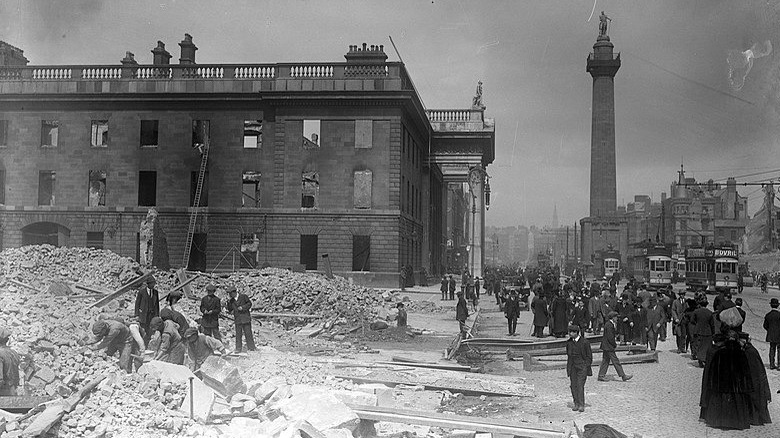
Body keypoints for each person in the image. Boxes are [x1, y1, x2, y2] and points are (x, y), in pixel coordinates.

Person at [699, 320, 754, 430]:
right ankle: (737, 422)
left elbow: (712, 373)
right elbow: (746, 373)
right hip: (737, 389)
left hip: (721, 388)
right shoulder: (741, 354)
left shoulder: (719, 353)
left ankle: (719, 421)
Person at [597, 311, 633, 382]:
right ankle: (623, 376)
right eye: (616, 317)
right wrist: (614, 344)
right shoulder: (609, 325)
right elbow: (610, 337)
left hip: (606, 346)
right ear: (613, 317)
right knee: (615, 361)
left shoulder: (609, 324)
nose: (617, 318)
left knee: (605, 361)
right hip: (609, 346)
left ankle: (601, 375)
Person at [566, 324, 593, 413]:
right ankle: (576, 403)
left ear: (577, 333)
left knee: (580, 385)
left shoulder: (585, 342)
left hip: (582, 367)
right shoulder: (569, 343)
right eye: (569, 332)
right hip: (573, 367)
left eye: (572, 332)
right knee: (573, 386)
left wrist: (586, 366)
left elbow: (589, 356)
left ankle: (581, 404)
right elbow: (568, 356)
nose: (570, 334)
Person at [227, 286, 256, 352]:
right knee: (238, 334)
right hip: (238, 319)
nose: (230, 295)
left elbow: (249, 304)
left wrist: (243, 307)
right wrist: (228, 302)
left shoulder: (243, 296)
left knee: (248, 333)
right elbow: (229, 309)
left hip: (245, 318)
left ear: (234, 292)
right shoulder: (231, 301)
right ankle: (238, 348)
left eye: (230, 293)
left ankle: (251, 348)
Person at [134, 276, 160, 344]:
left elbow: (157, 304)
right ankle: (142, 343)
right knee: (143, 329)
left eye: (154, 284)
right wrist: (136, 314)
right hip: (143, 315)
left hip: (152, 315)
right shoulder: (142, 291)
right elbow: (137, 303)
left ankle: (148, 343)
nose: (153, 285)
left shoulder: (155, 292)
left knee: (151, 329)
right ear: (148, 284)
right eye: (152, 284)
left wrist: (157, 315)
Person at [692, 297, 715, 368]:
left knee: (699, 346)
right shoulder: (710, 313)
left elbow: (692, 320)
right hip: (707, 332)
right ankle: (705, 359)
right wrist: (713, 333)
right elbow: (712, 324)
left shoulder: (696, 311)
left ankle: (700, 359)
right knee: (706, 346)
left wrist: (697, 324)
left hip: (698, 330)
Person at [0, 328, 21, 396]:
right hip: (12, 391)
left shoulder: (0, 353)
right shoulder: (14, 353)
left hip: (3, 394)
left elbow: (0, 378)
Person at [763, 297, 780, 369]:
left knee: (772, 349)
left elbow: (765, 325)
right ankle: (779, 365)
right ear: (778, 305)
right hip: (779, 335)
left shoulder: (768, 315)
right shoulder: (779, 315)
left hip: (771, 334)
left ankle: (772, 364)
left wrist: (769, 330)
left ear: (771, 305)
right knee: (779, 350)